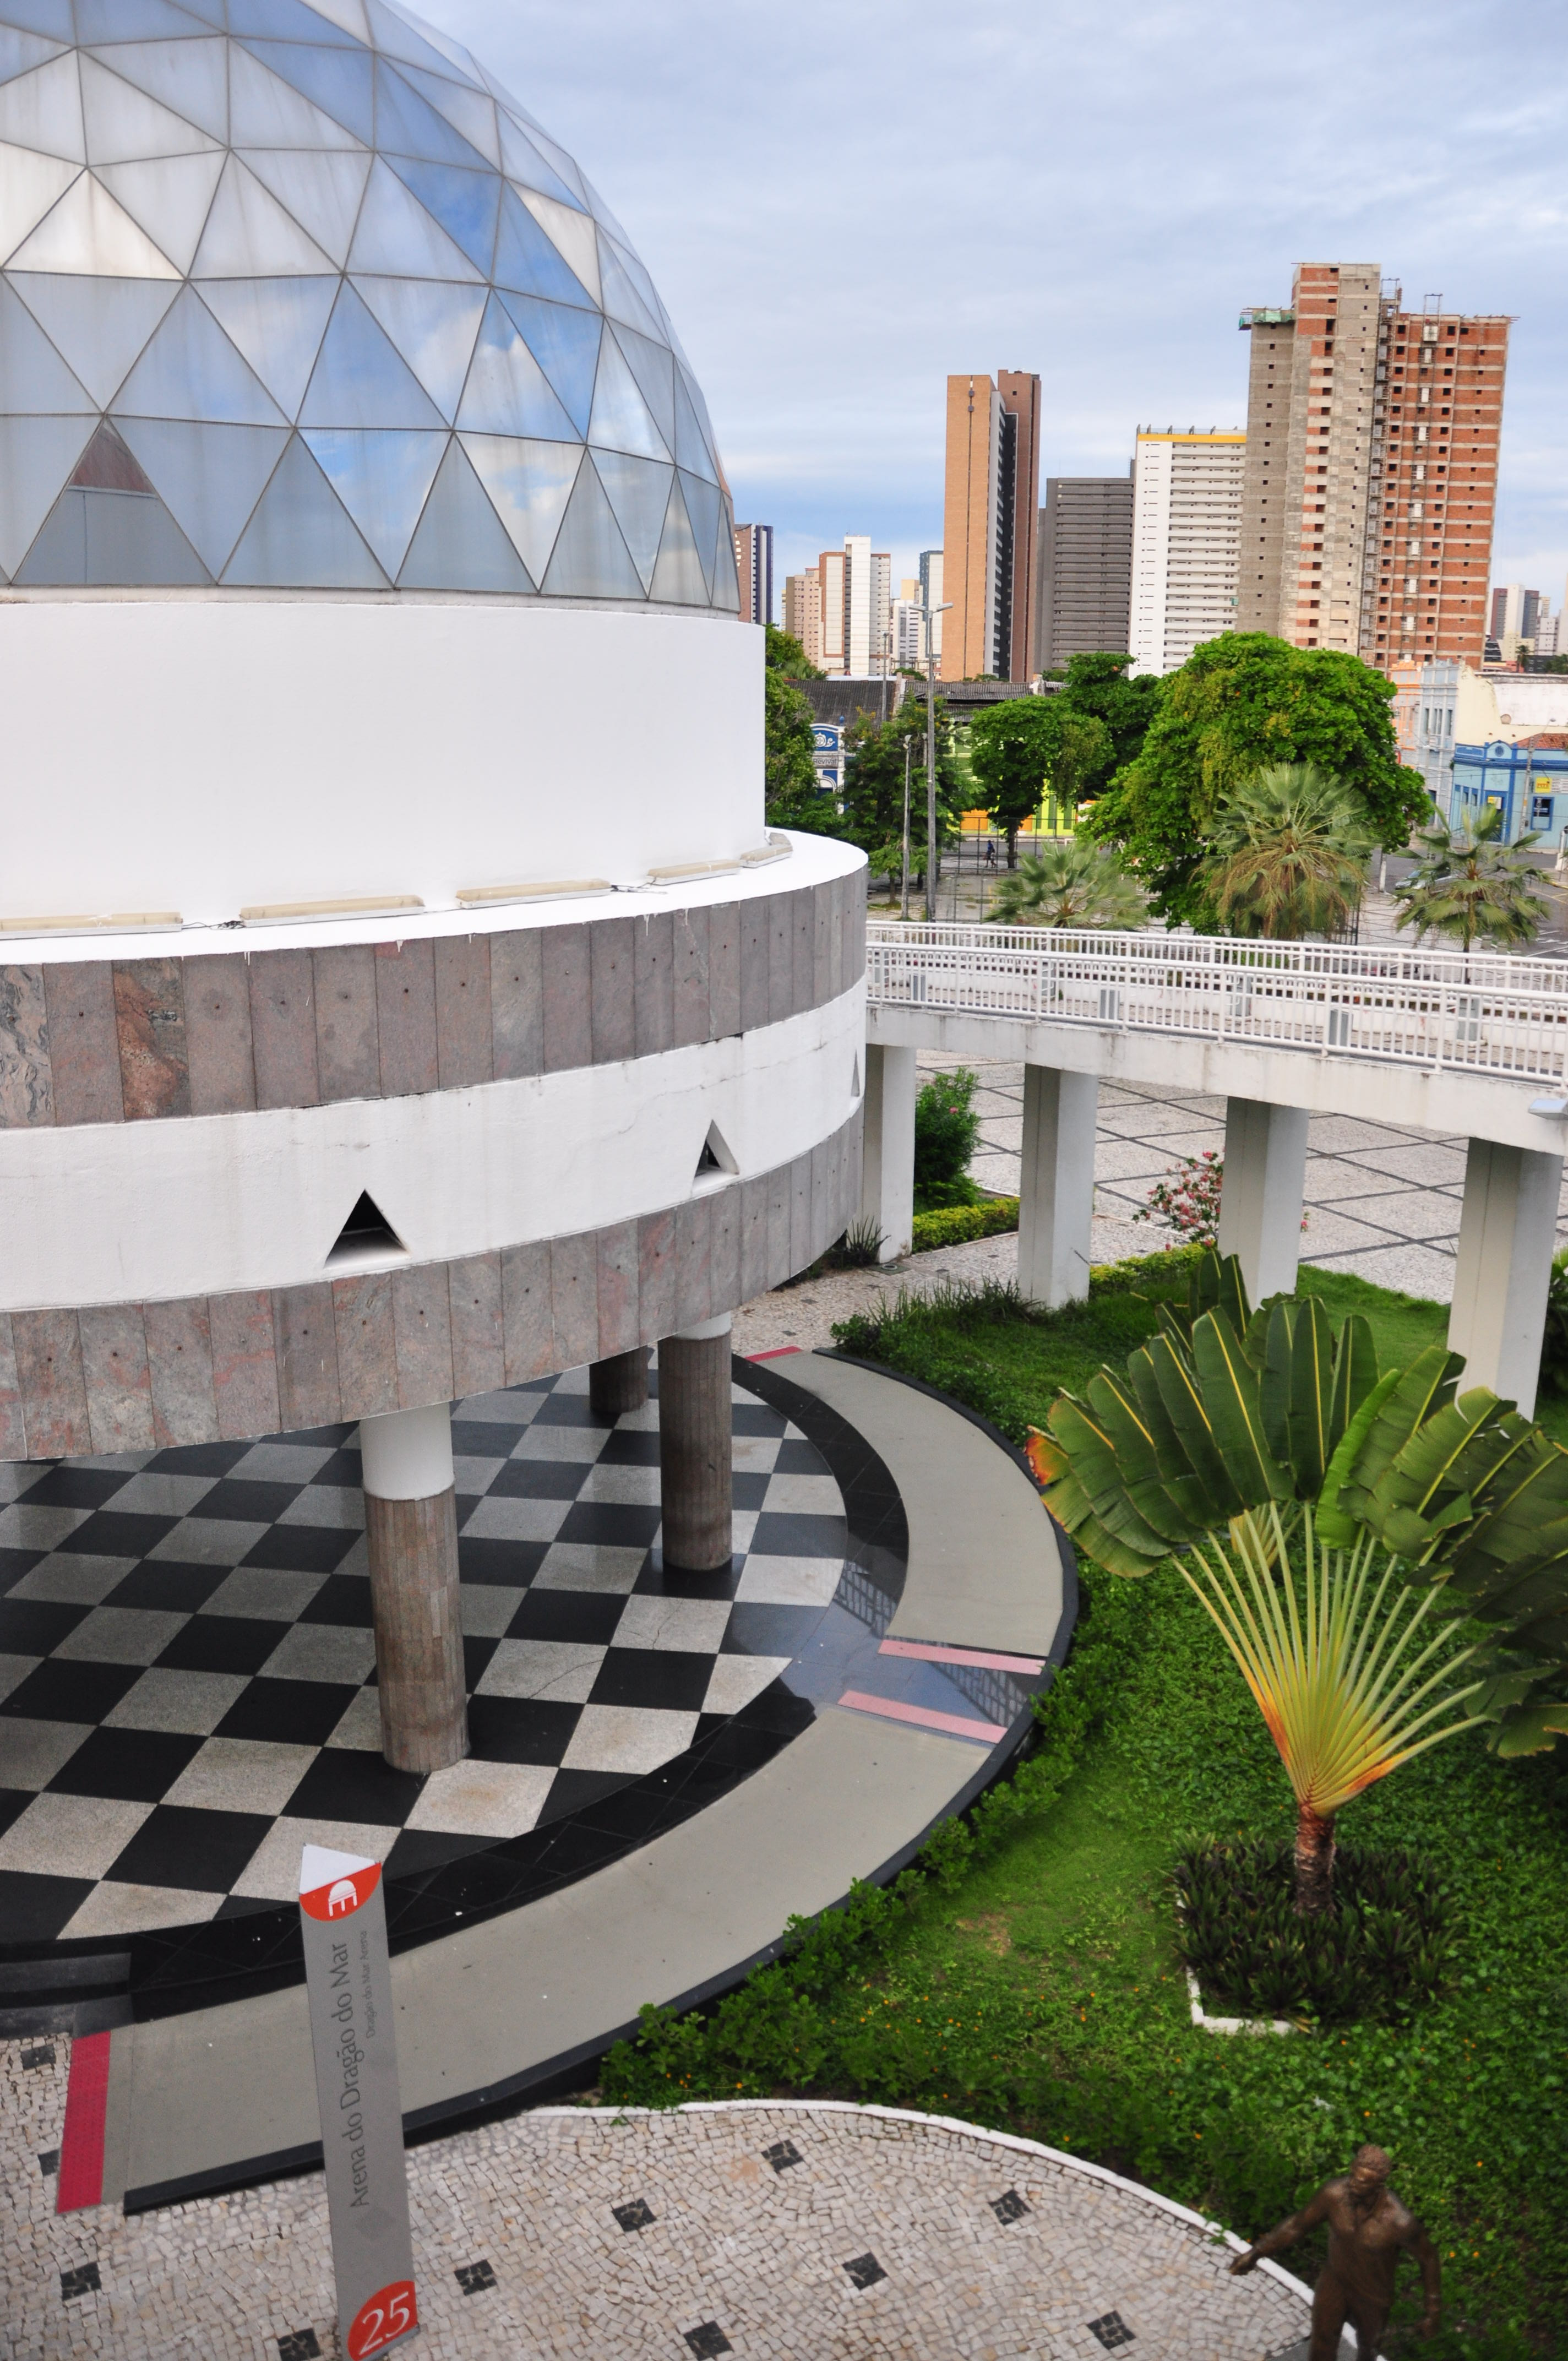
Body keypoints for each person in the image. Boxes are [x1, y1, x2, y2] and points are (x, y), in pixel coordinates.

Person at [1229, 2144, 1439, 2358]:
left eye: (1363, 2182)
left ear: (1379, 2185)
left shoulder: (1399, 2222)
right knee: (1322, 2341)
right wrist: (1256, 2253)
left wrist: (1433, 2310)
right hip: (1335, 2282)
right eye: (1353, 2176)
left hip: (1373, 2294)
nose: (1353, 2184)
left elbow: (1429, 2258)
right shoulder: (1334, 2194)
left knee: (1368, 2349)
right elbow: (1296, 2226)